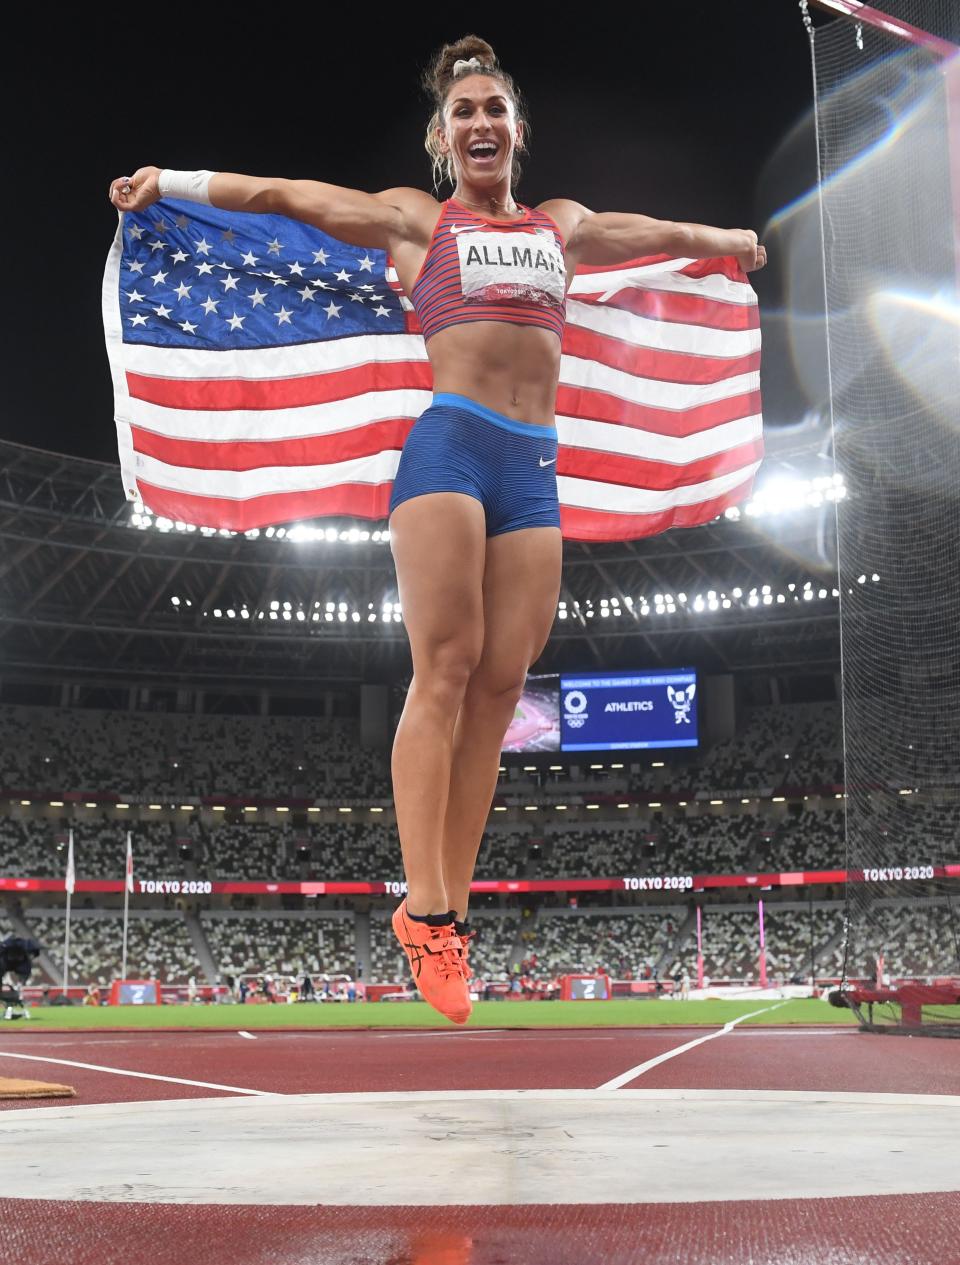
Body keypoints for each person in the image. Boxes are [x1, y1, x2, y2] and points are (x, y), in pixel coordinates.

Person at [109, 35, 765, 1028]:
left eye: (495, 108)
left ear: (516, 128)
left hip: (533, 466)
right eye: (464, 112)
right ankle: (425, 909)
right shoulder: (418, 222)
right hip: (450, 448)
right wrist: (179, 180)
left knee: (504, 682)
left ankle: (448, 914)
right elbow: (289, 196)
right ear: (444, 137)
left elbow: (645, 231)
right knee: (448, 662)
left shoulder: (561, 227)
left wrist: (723, 240)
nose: (481, 123)